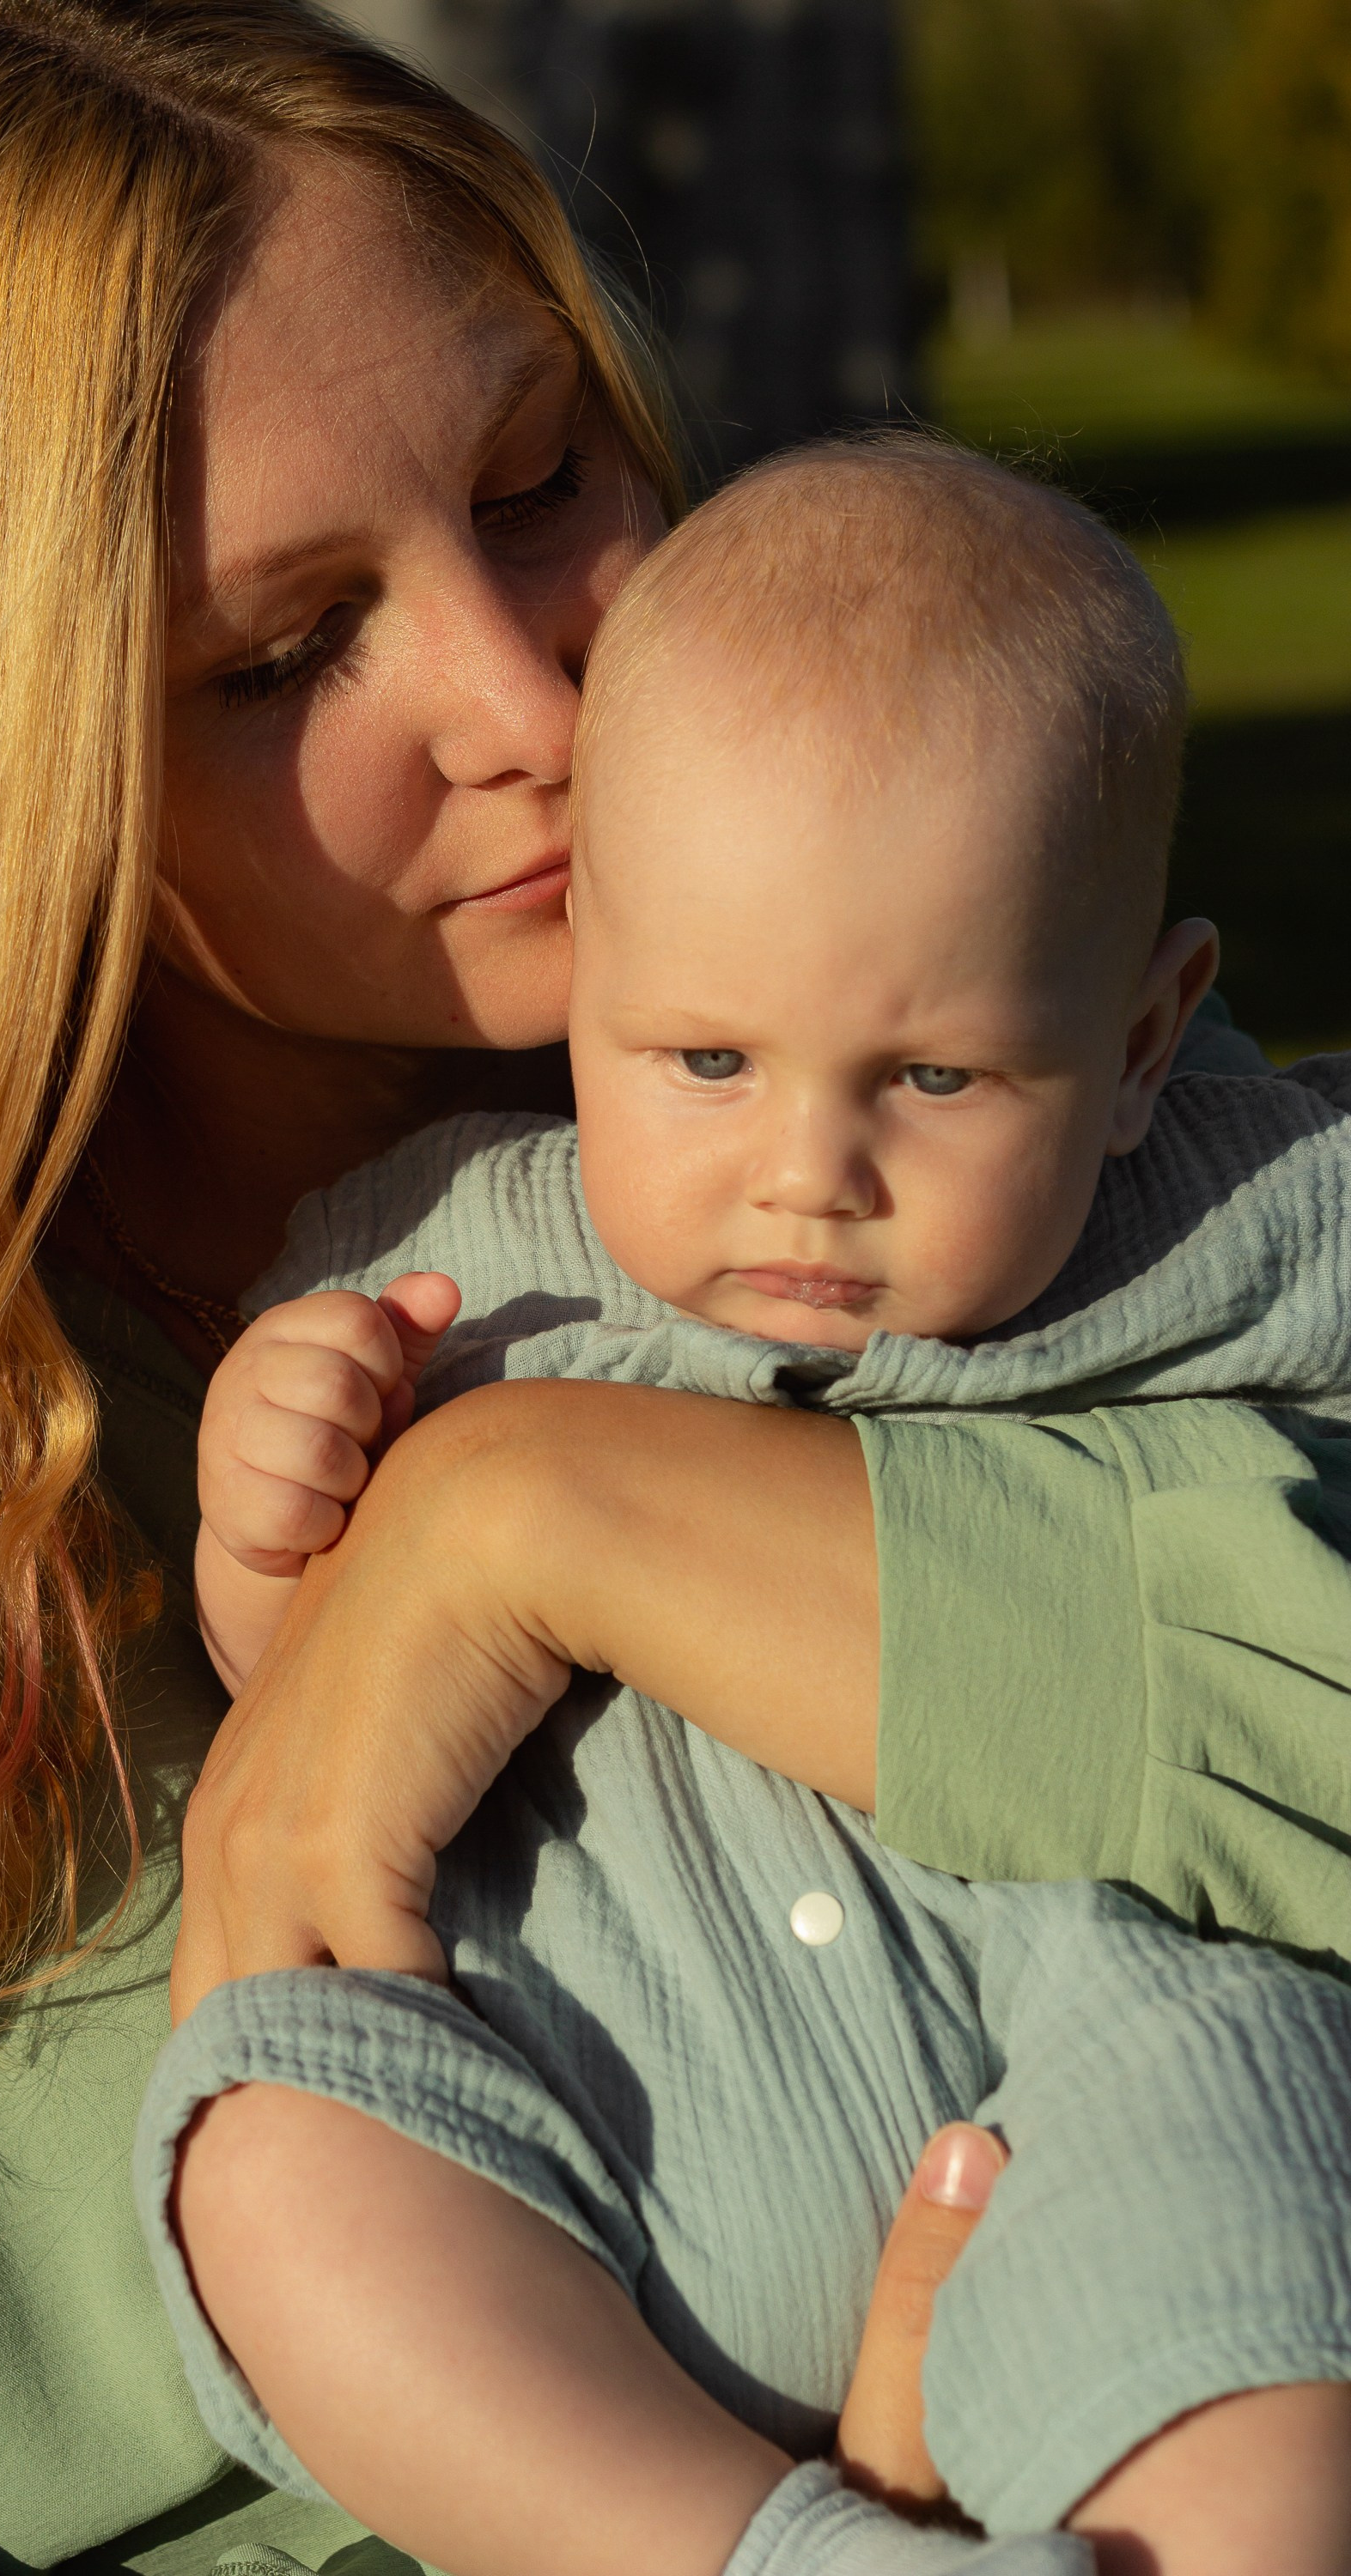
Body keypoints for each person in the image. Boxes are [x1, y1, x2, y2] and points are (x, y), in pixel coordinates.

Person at [0, 1, 1341, 2569]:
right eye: (281, 655)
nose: (534, 697)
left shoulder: (966, 1102)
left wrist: (539, 1513)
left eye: (543, 477)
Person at [150, 442, 1351, 2575]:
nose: (809, 1169)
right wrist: (275, 1517)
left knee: (1266, 2395)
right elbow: (313, 1697)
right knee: (273, 2157)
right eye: (703, 1062)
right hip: (608, 2101)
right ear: (598, 949)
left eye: (935, 1080)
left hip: (1111, 2057)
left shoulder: (1224, 1203)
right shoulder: (442, 1255)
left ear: (1152, 1031)